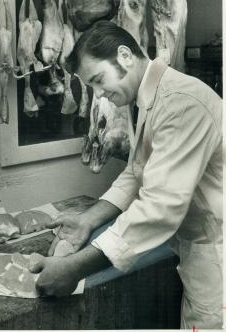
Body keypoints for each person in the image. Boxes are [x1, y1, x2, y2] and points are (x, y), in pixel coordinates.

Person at [29, 20, 223, 330]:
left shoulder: (181, 102)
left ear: (125, 56)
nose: (100, 95)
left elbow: (159, 208)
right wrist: (87, 219)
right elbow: (136, 173)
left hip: (217, 256)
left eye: (98, 80)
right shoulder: (151, 98)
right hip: (196, 249)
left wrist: (74, 269)